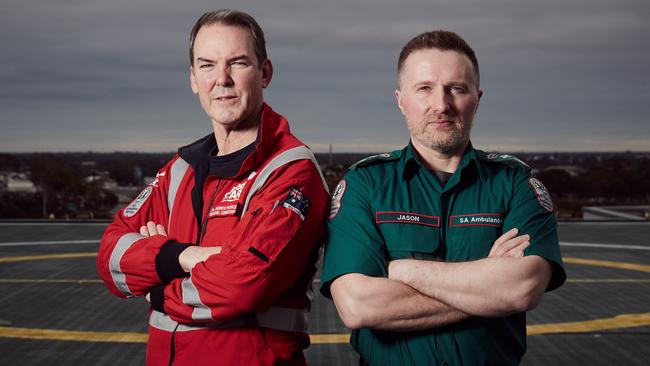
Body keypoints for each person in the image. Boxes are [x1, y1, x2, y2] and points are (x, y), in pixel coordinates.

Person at [97, 9, 329, 366]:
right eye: (207, 65)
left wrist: (157, 290)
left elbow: (240, 286)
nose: (222, 79)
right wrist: (182, 256)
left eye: (237, 63)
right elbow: (111, 257)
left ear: (264, 73)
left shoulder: (290, 172)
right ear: (193, 79)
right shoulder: (180, 171)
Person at [320, 30, 566, 366]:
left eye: (457, 89)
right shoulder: (365, 185)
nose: (441, 105)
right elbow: (360, 306)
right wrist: (488, 285)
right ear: (400, 99)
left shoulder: (515, 184)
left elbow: (521, 289)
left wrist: (402, 271)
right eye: (424, 88)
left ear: (477, 98)